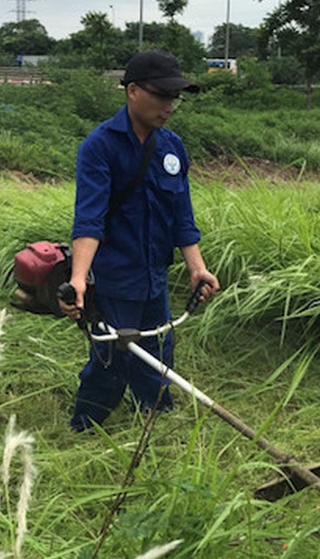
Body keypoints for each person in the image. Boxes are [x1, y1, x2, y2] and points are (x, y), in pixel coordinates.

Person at [59, 50, 220, 432]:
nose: (170, 106)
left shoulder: (173, 148)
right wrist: (79, 279)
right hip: (114, 278)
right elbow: (89, 220)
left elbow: (182, 216)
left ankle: (155, 419)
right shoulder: (100, 146)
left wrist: (197, 268)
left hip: (154, 277)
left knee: (159, 351)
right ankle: (85, 426)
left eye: (174, 98)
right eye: (161, 96)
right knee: (112, 355)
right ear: (133, 91)